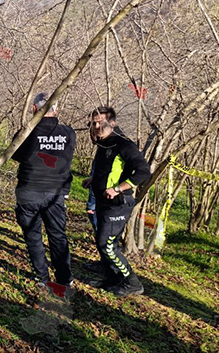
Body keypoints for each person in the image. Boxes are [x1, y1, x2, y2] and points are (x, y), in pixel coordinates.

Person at [10, 92, 76, 293]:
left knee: (33, 237)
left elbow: (16, 154)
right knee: (57, 236)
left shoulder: (26, 132)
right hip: (54, 193)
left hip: (29, 190)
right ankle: (65, 280)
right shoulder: (68, 133)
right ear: (56, 110)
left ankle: (42, 278)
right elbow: (67, 156)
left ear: (34, 109)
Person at [85, 106, 151, 297]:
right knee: (103, 243)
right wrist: (94, 180)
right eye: (94, 122)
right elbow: (110, 169)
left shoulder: (123, 144)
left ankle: (133, 283)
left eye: (101, 123)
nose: (96, 126)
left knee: (107, 245)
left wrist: (118, 188)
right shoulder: (104, 142)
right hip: (103, 202)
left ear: (112, 123)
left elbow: (143, 171)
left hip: (119, 204)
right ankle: (112, 278)